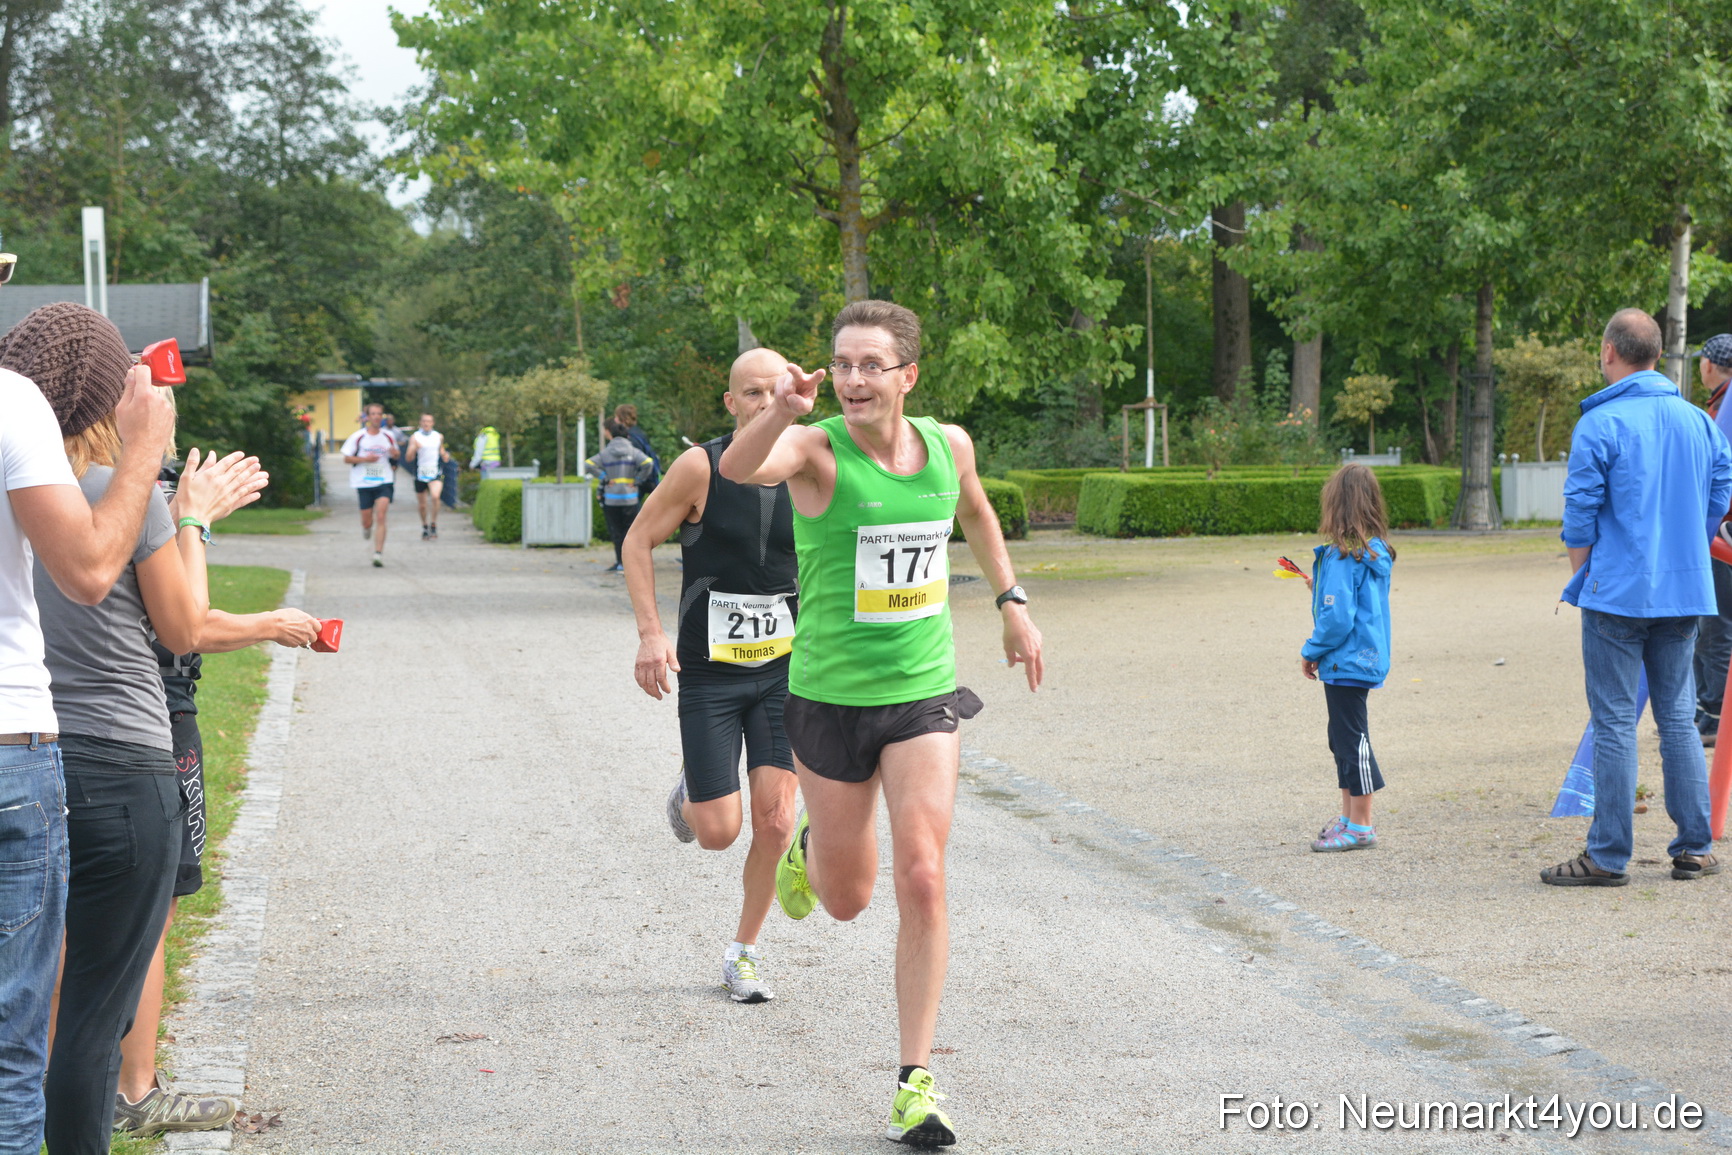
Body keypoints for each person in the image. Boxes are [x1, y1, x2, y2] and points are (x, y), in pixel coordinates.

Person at [719, 299, 1043, 1147]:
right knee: (847, 898)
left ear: (909, 375)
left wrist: (1011, 601)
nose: (854, 379)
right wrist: (781, 409)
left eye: (872, 364)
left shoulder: (948, 445)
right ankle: (809, 848)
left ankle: (914, 1083)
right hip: (828, 699)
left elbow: (975, 511)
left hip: (921, 693)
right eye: (843, 364)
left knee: (924, 875)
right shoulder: (815, 448)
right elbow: (740, 469)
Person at [25, 326, 265, 1153]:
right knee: (93, 1015)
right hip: (123, 765)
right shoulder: (119, 492)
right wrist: (191, 517)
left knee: (32, 990)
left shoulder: (22, 490)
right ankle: (128, 1097)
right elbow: (184, 626)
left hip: (30, 751)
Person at [0, 302, 177, 1155]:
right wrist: (154, 461)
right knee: (49, 1027)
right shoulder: (27, 425)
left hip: (53, 758)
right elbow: (155, 609)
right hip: (57, 755)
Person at [622, 348, 799, 1004]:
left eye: (775, 390)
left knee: (776, 823)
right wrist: (650, 634)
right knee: (719, 832)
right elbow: (637, 540)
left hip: (785, 672)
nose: (765, 403)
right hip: (711, 674)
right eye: (752, 393)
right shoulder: (701, 466)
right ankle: (690, 794)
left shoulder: (814, 465)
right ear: (731, 402)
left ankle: (743, 953)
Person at [112, 580, 320, 1137]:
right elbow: (186, 625)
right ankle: (134, 1092)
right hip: (155, 723)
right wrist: (271, 624)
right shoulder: (159, 524)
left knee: (76, 913)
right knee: (152, 915)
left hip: (72, 723)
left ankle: (63, 1082)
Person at [1545, 308, 1732, 887]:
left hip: (1618, 591)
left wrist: (1585, 574)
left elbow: (1579, 515)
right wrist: (1689, 544)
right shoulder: (1698, 420)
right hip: (1685, 587)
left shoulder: (1599, 422)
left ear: (1609, 352)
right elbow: (1721, 490)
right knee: (1678, 718)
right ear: (1657, 354)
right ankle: (1695, 847)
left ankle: (1607, 855)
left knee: (1614, 720)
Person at [1298, 464, 1395, 852]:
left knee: (1353, 742)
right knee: (1340, 739)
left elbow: (1338, 618)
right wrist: (1318, 585)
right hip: (1359, 658)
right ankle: (1348, 817)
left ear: (1335, 505)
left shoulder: (1342, 557)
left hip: (1346, 660)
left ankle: (1362, 826)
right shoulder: (1371, 552)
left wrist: (1311, 650)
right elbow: (1356, 600)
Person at [1695, 333, 1732, 747]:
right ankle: (1706, 707)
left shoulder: (1723, 410)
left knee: (1716, 623)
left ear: (1708, 365)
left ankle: (1715, 713)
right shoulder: (1719, 406)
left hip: (1721, 530)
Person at [584, 419, 654, 573]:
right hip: (630, 498)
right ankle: (632, 565)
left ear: (612, 435)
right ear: (627, 435)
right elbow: (648, 463)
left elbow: (588, 464)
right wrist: (638, 480)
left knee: (616, 533)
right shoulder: (633, 451)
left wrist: (604, 477)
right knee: (631, 533)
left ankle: (620, 563)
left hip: (611, 500)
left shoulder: (606, 452)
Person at [342, 403, 399, 567]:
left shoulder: (388, 436)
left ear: (382, 417)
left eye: (379, 414)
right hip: (363, 482)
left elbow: (395, 455)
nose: (376, 417)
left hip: (384, 480)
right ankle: (366, 528)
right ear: (367, 417)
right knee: (367, 521)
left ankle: (378, 554)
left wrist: (395, 454)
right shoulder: (358, 437)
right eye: (373, 414)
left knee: (381, 516)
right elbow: (346, 458)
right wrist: (365, 459)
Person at [406, 413, 449, 539]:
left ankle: (433, 523)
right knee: (422, 504)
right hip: (420, 473)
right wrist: (413, 448)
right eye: (424, 421)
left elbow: (441, 451)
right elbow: (408, 458)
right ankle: (425, 526)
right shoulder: (415, 437)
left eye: (429, 421)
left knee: (435, 497)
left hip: (436, 472)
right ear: (420, 422)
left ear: (432, 423)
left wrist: (445, 455)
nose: (426, 423)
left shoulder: (438, 436)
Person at [614, 404, 661, 497]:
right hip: (648, 477)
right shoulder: (638, 432)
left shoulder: (629, 437)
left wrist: (636, 480)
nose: (614, 420)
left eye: (616, 417)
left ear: (622, 418)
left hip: (638, 480)